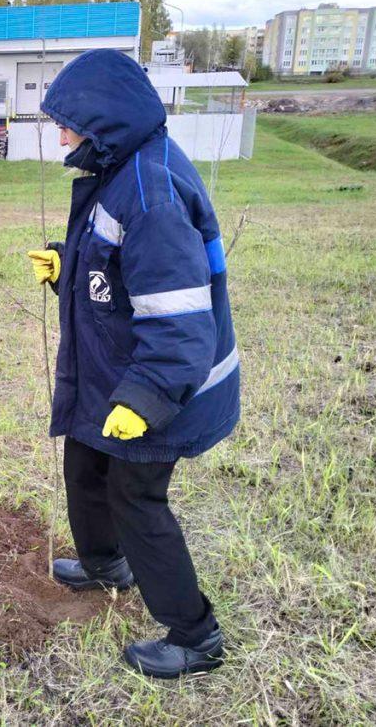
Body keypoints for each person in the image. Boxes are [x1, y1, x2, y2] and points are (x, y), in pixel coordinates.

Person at [26, 49, 240, 679]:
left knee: (134, 495)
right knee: (84, 461)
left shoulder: (152, 192)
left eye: (67, 121)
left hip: (164, 385)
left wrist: (143, 399)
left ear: (103, 119)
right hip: (115, 372)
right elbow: (112, 271)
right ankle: (104, 565)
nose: (60, 133)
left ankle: (194, 635)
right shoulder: (120, 168)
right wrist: (67, 267)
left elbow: (179, 323)